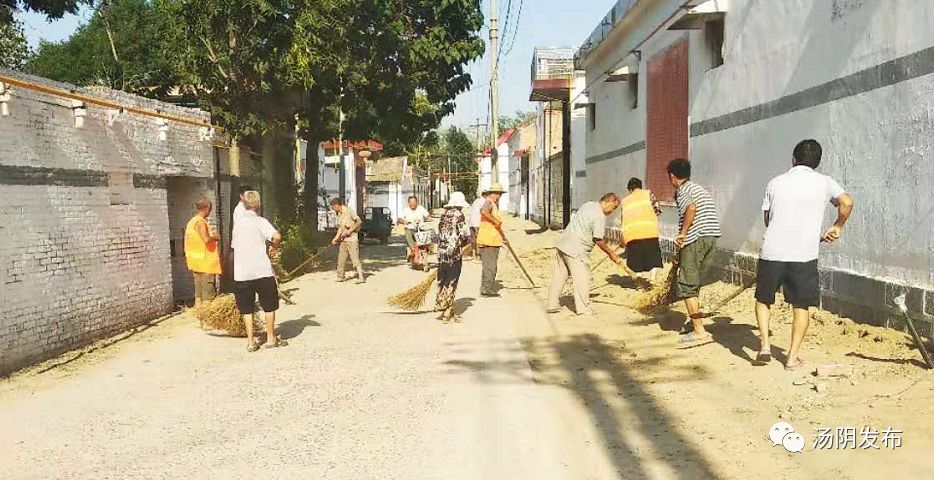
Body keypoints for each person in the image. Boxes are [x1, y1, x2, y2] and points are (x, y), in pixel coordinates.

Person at [755, 139, 854, 370]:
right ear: (817, 163)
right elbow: (846, 202)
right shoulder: (825, 182)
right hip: (804, 255)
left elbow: (767, 219)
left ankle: (765, 347)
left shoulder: (775, 182)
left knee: (763, 300)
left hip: (772, 252)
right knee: (800, 306)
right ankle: (791, 358)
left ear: (793, 159)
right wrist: (837, 226)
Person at [667, 158, 722, 348]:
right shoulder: (698, 188)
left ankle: (700, 332)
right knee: (694, 281)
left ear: (672, 176)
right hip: (711, 237)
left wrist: (682, 235)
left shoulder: (683, 191)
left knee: (687, 285)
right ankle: (695, 322)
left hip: (695, 239)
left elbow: (691, 208)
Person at [547, 193, 623, 316]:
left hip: (563, 243)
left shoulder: (589, 204)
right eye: (613, 208)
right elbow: (598, 239)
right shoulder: (600, 215)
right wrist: (611, 253)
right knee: (581, 278)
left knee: (560, 274)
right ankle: (583, 309)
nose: (612, 212)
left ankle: (552, 304)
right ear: (608, 201)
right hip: (577, 249)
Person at [231, 191, 286, 352]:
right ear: (258, 205)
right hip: (262, 270)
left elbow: (234, 246)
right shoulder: (260, 221)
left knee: (247, 308)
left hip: (242, 272)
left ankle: (251, 342)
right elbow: (277, 236)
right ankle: (270, 338)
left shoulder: (238, 224)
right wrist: (273, 247)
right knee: (269, 306)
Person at [434, 192, 473, 323]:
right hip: (454, 254)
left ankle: (445, 307)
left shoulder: (443, 215)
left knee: (443, 280)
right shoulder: (459, 215)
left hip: (442, 253)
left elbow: (439, 232)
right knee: (452, 282)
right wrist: (467, 244)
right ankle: (447, 313)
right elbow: (465, 234)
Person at [621, 178, 663, 282]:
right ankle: (653, 279)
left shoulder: (625, 201)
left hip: (632, 235)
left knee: (636, 260)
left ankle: (639, 282)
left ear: (630, 189)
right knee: (653, 258)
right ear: (640, 187)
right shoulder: (648, 194)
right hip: (649, 232)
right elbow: (657, 210)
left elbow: (623, 219)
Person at [185, 198, 222, 308]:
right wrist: (215, 237)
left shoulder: (192, 222)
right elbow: (206, 239)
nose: (209, 212)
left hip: (196, 263)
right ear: (206, 209)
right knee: (208, 295)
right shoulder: (200, 222)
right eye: (210, 209)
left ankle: (199, 316)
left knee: (198, 294)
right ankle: (207, 316)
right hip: (206, 263)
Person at [477, 183, 507, 297]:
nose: (500, 197)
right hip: (488, 240)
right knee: (490, 266)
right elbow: (484, 212)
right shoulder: (489, 202)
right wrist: (494, 221)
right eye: (499, 194)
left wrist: (503, 238)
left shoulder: (493, 204)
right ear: (495, 194)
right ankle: (486, 289)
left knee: (489, 265)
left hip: (493, 239)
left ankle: (486, 287)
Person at [330, 198, 365, 283]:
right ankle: (340, 276)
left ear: (337, 205)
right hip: (343, 239)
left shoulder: (349, 211)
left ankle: (361, 277)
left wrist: (349, 231)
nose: (333, 209)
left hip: (352, 238)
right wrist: (335, 238)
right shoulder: (339, 214)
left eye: (333, 207)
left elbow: (359, 221)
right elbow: (340, 228)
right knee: (341, 258)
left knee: (355, 258)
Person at [397, 196, 431, 262]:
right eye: (411, 202)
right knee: (408, 235)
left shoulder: (420, 208)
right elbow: (399, 219)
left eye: (414, 202)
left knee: (426, 239)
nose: (413, 204)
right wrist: (404, 221)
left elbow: (427, 215)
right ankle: (413, 251)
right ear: (408, 203)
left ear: (416, 202)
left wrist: (428, 218)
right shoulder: (405, 210)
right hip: (410, 229)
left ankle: (425, 251)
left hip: (420, 229)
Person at [469, 193, 487, 261]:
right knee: (479, 240)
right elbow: (482, 211)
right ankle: (478, 256)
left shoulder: (476, 200)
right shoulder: (483, 201)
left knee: (473, 240)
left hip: (471, 222)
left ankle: (474, 255)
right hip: (477, 222)